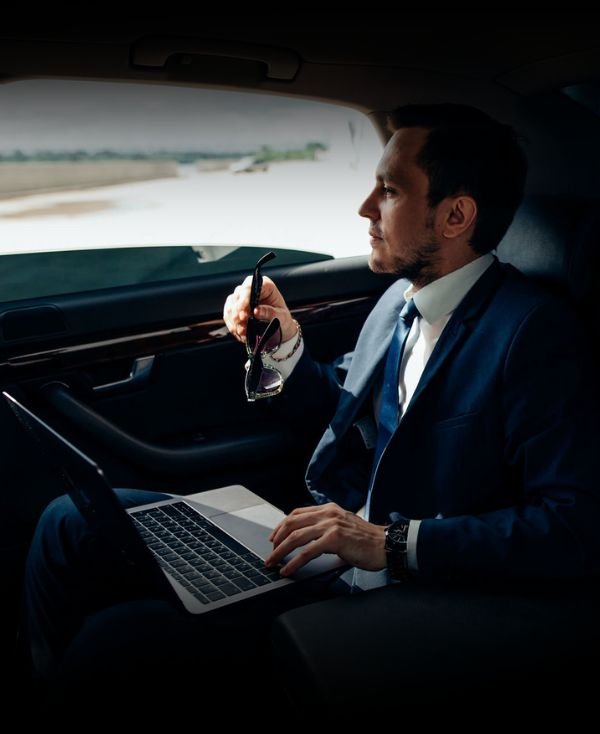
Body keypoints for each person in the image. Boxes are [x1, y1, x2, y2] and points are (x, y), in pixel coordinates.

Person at [22, 104, 600, 703]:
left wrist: (388, 542)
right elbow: (341, 409)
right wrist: (282, 342)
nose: (365, 208)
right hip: (327, 546)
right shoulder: (398, 303)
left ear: (456, 215)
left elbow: (574, 526)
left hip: (408, 587)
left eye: (390, 191)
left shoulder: (533, 333)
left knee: (116, 640)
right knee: (69, 521)